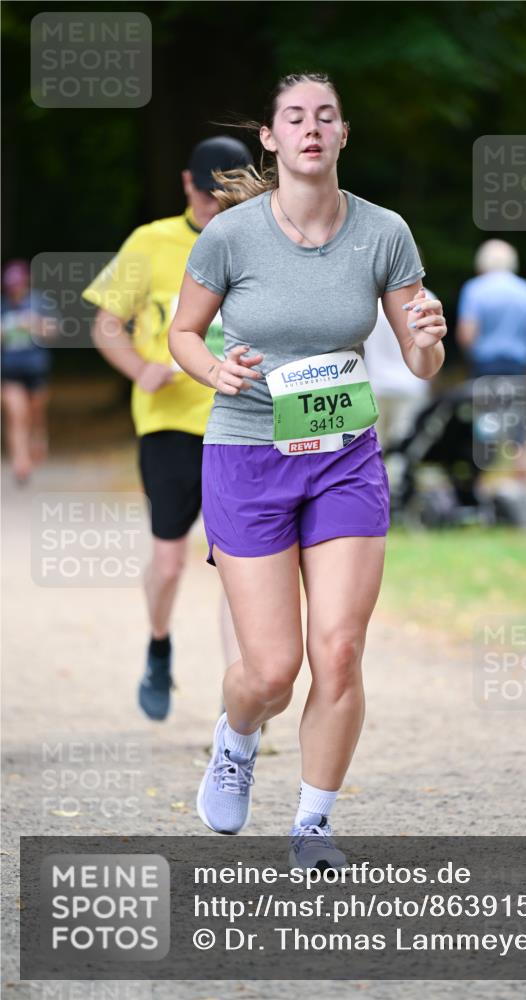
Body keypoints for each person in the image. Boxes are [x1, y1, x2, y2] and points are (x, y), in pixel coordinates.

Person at [168, 72, 446, 867]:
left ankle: (312, 825)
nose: (311, 128)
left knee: (340, 650)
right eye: (294, 117)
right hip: (246, 455)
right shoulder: (230, 236)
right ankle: (236, 738)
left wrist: (428, 337)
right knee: (270, 671)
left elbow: (421, 360)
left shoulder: (383, 232)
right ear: (271, 137)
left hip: (343, 458)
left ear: (343, 134)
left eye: (326, 116)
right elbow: (184, 333)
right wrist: (214, 370)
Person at [82, 136, 252, 722]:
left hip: (242, 421)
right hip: (169, 422)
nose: (213, 204)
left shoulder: (259, 239)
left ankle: (237, 700)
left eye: (225, 195)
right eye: (205, 193)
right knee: (171, 561)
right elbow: (106, 324)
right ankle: (159, 645)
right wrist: (140, 369)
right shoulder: (150, 242)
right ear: (186, 184)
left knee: (239, 566)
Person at [456, 240, 526, 480]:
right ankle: (523, 487)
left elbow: (467, 335)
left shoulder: (474, 290)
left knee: (482, 426)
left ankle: (477, 484)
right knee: (520, 430)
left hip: (484, 367)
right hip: (518, 367)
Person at [1, 259, 58, 484]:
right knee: (16, 415)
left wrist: (35, 325)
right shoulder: (2, 307)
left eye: (18, 284)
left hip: (36, 368)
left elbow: (55, 331)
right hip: (9, 370)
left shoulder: (40, 303)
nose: (15, 289)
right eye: (11, 285)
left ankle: (38, 436)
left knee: (35, 414)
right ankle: (20, 462)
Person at [364, 292, 434, 449]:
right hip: (411, 385)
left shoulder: (370, 302)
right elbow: (431, 350)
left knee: (374, 446)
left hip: (375, 384)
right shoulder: (426, 299)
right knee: (404, 447)